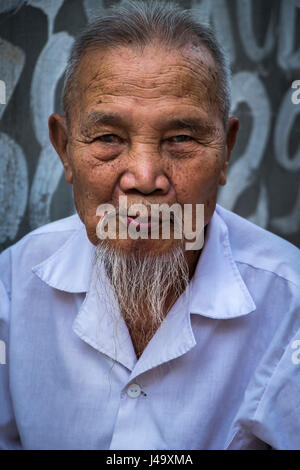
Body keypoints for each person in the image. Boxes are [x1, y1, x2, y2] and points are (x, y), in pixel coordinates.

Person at [0, 0, 299, 450]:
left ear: (226, 149)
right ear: (64, 148)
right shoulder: (10, 288)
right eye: (108, 138)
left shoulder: (290, 303)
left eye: (181, 138)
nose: (143, 179)